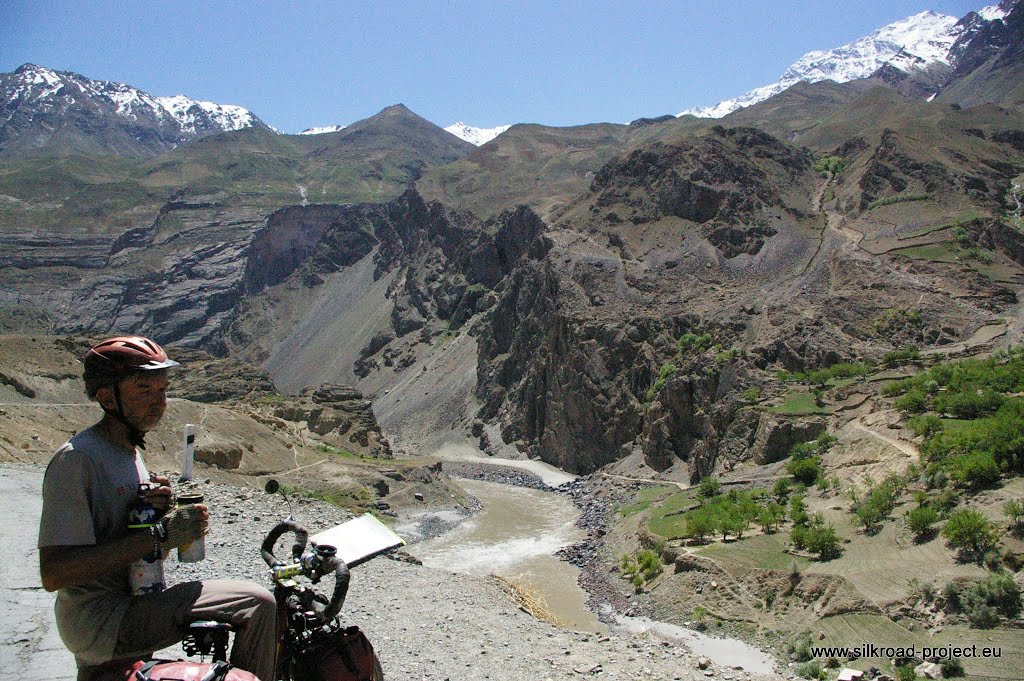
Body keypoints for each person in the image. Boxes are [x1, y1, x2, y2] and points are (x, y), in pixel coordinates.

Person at [38, 336, 277, 681]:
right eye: (144, 390)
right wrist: (160, 535)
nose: (159, 403)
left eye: (163, 390)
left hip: (132, 603)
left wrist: (159, 517)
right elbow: (55, 573)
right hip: (105, 621)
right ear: (107, 397)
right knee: (257, 604)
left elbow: (137, 548)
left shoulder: (129, 452)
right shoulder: (77, 460)